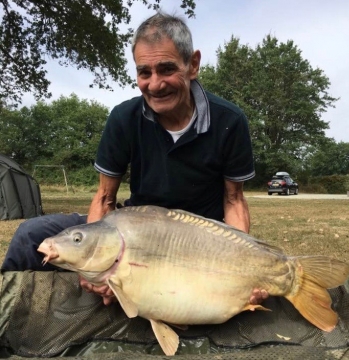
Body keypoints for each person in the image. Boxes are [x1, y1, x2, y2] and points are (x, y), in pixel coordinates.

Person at [2, 12, 268, 305]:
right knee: (30, 234)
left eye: (166, 69)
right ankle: (13, 315)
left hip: (198, 238)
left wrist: (243, 259)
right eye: (144, 72)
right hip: (136, 229)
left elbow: (234, 201)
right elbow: (105, 197)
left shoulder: (229, 120)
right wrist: (91, 268)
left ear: (193, 65)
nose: (155, 85)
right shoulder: (123, 119)